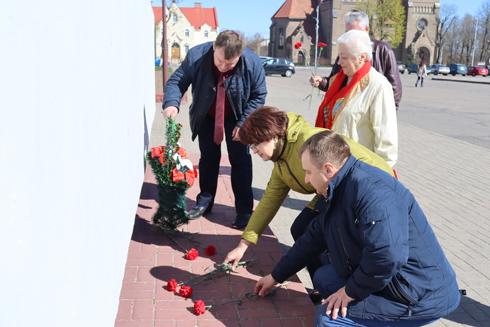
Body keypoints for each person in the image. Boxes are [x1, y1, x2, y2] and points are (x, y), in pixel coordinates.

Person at [254, 131, 461, 327]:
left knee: (327, 320)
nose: (306, 180)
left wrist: (349, 292)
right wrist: (275, 277)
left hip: (417, 294)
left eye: (308, 172)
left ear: (328, 169)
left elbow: (388, 256)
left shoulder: (373, 192)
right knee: (323, 278)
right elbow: (311, 239)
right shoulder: (338, 188)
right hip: (392, 281)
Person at [223, 106, 394, 301]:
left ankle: (347, 285)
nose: (254, 151)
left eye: (255, 145)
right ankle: (324, 285)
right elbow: (268, 202)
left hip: (361, 185)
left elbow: (352, 159)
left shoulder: (308, 139)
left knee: (320, 229)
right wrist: (243, 245)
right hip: (330, 190)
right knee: (300, 228)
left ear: (270, 136)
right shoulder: (280, 162)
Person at [161, 30, 267, 229]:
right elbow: (178, 81)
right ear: (213, 48)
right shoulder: (196, 56)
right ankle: (204, 203)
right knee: (208, 158)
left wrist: (243, 122)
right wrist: (172, 103)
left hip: (238, 117)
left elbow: (259, 95)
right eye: (220, 61)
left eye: (231, 64)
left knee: (241, 161)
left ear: (240, 54)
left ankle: (244, 210)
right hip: (207, 115)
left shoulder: (252, 63)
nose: (224, 67)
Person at [313, 29, 398, 168]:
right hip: (331, 165)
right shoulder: (338, 80)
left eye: (344, 57)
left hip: (358, 169)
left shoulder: (378, 87)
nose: (339, 62)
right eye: (339, 56)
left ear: (362, 57)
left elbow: (386, 144)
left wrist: (376, 176)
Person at [310, 11, 402, 111]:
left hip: (371, 113)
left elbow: (394, 90)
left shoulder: (383, 50)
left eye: (354, 32)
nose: (350, 36)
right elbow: (335, 81)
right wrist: (322, 82)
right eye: (347, 32)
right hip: (346, 111)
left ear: (367, 29)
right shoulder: (345, 51)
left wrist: (386, 115)